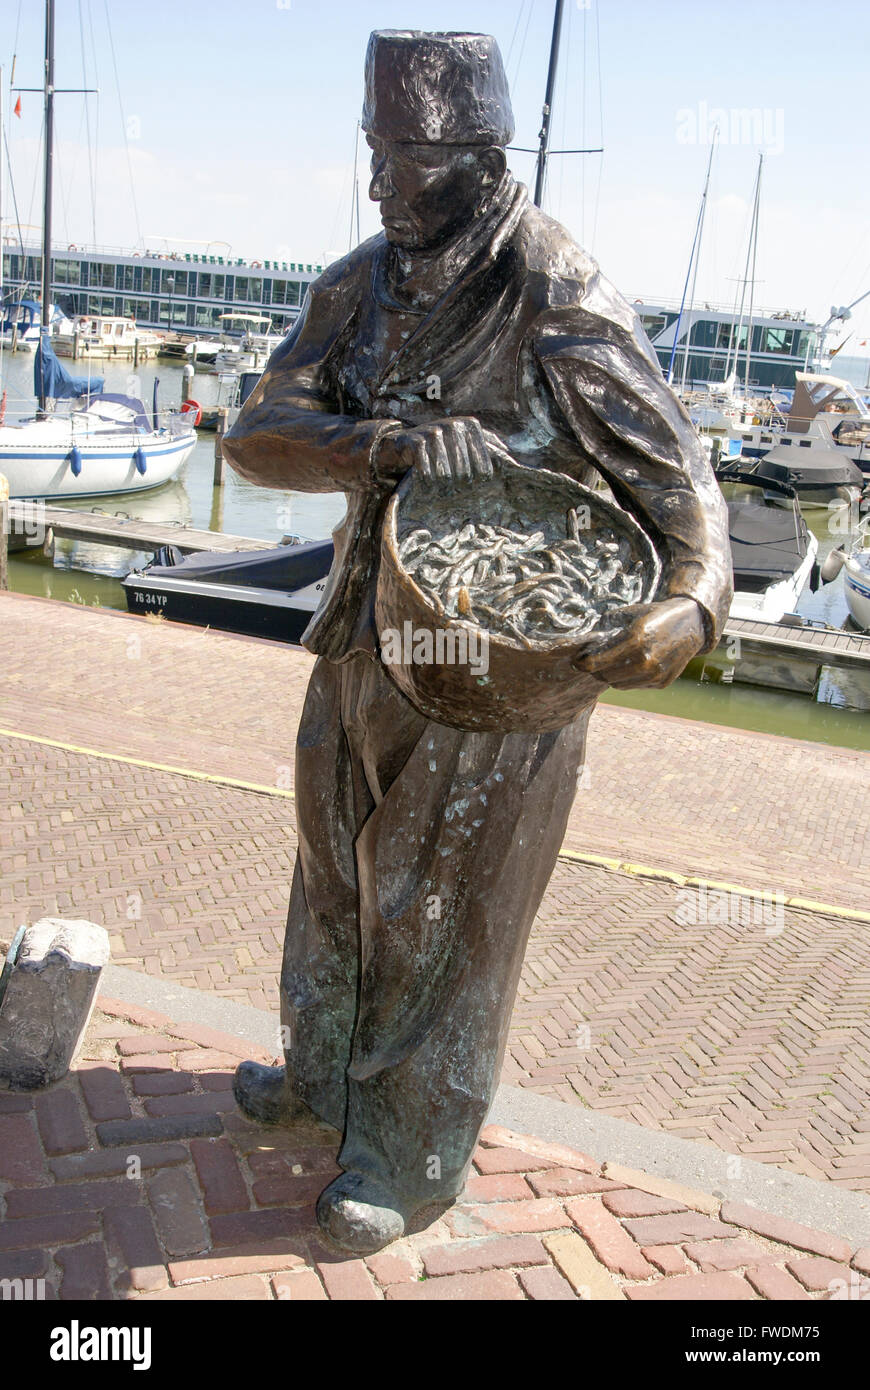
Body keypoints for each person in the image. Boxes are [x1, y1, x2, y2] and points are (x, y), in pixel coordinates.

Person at [222, 29, 732, 1255]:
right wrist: (379, 445)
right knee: (333, 865)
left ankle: (409, 1148)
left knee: (444, 905)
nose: (382, 181)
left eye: (406, 155)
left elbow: (677, 471)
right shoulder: (357, 284)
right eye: (375, 150)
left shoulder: (549, 279)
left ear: (474, 152)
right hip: (366, 627)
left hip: (502, 669)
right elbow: (256, 431)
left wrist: (696, 600)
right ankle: (321, 1066)